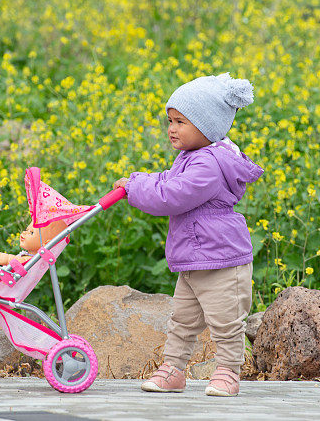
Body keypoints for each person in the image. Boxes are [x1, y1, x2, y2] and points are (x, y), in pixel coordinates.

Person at [113, 72, 264, 397]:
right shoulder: (191, 157)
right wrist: (137, 180)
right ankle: (173, 370)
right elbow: (167, 179)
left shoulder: (209, 165)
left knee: (225, 324)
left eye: (180, 121)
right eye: (170, 120)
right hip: (195, 260)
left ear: (207, 126)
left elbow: (172, 195)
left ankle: (227, 373)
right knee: (181, 321)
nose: (171, 128)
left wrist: (137, 187)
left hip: (222, 261)